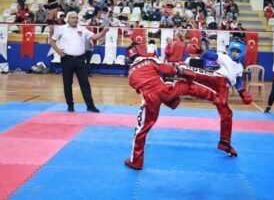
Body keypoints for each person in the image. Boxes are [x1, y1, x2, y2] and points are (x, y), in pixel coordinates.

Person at [124, 42, 221, 170]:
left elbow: (137, 87)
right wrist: (180, 69)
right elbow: (167, 69)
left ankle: (136, 161)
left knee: (141, 130)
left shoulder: (130, 73)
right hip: (165, 91)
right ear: (141, 50)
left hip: (150, 99)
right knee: (185, 85)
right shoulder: (149, 60)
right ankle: (215, 97)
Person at [185, 41, 253, 157]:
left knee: (226, 114)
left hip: (224, 87)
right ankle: (178, 70)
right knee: (191, 72)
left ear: (243, 53)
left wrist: (242, 92)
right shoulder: (225, 57)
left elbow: (238, 82)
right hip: (216, 78)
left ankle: (225, 143)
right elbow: (213, 56)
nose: (235, 53)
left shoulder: (240, 67)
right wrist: (201, 51)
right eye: (233, 51)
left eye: (238, 52)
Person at [50, 11, 109, 113]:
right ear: (68, 19)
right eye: (73, 18)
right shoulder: (61, 29)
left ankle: (90, 106)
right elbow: (52, 40)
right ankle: (70, 105)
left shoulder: (82, 29)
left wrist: (103, 32)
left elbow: (94, 37)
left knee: (85, 83)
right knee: (67, 83)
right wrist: (59, 52)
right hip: (67, 59)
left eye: (76, 18)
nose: (75, 19)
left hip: (80, 59)